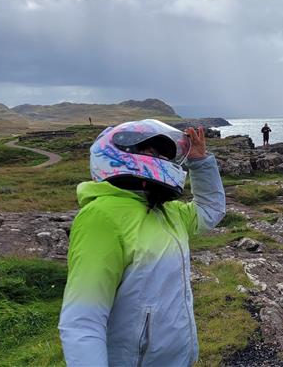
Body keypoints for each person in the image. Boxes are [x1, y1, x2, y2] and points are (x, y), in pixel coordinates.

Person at [58, 119, 225, 366]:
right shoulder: (102, 217)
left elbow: (211, 210)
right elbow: (83, 321)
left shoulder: (169, 213)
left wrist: (200, 162)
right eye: (150, 150)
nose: (159, 158)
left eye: (162, 154)